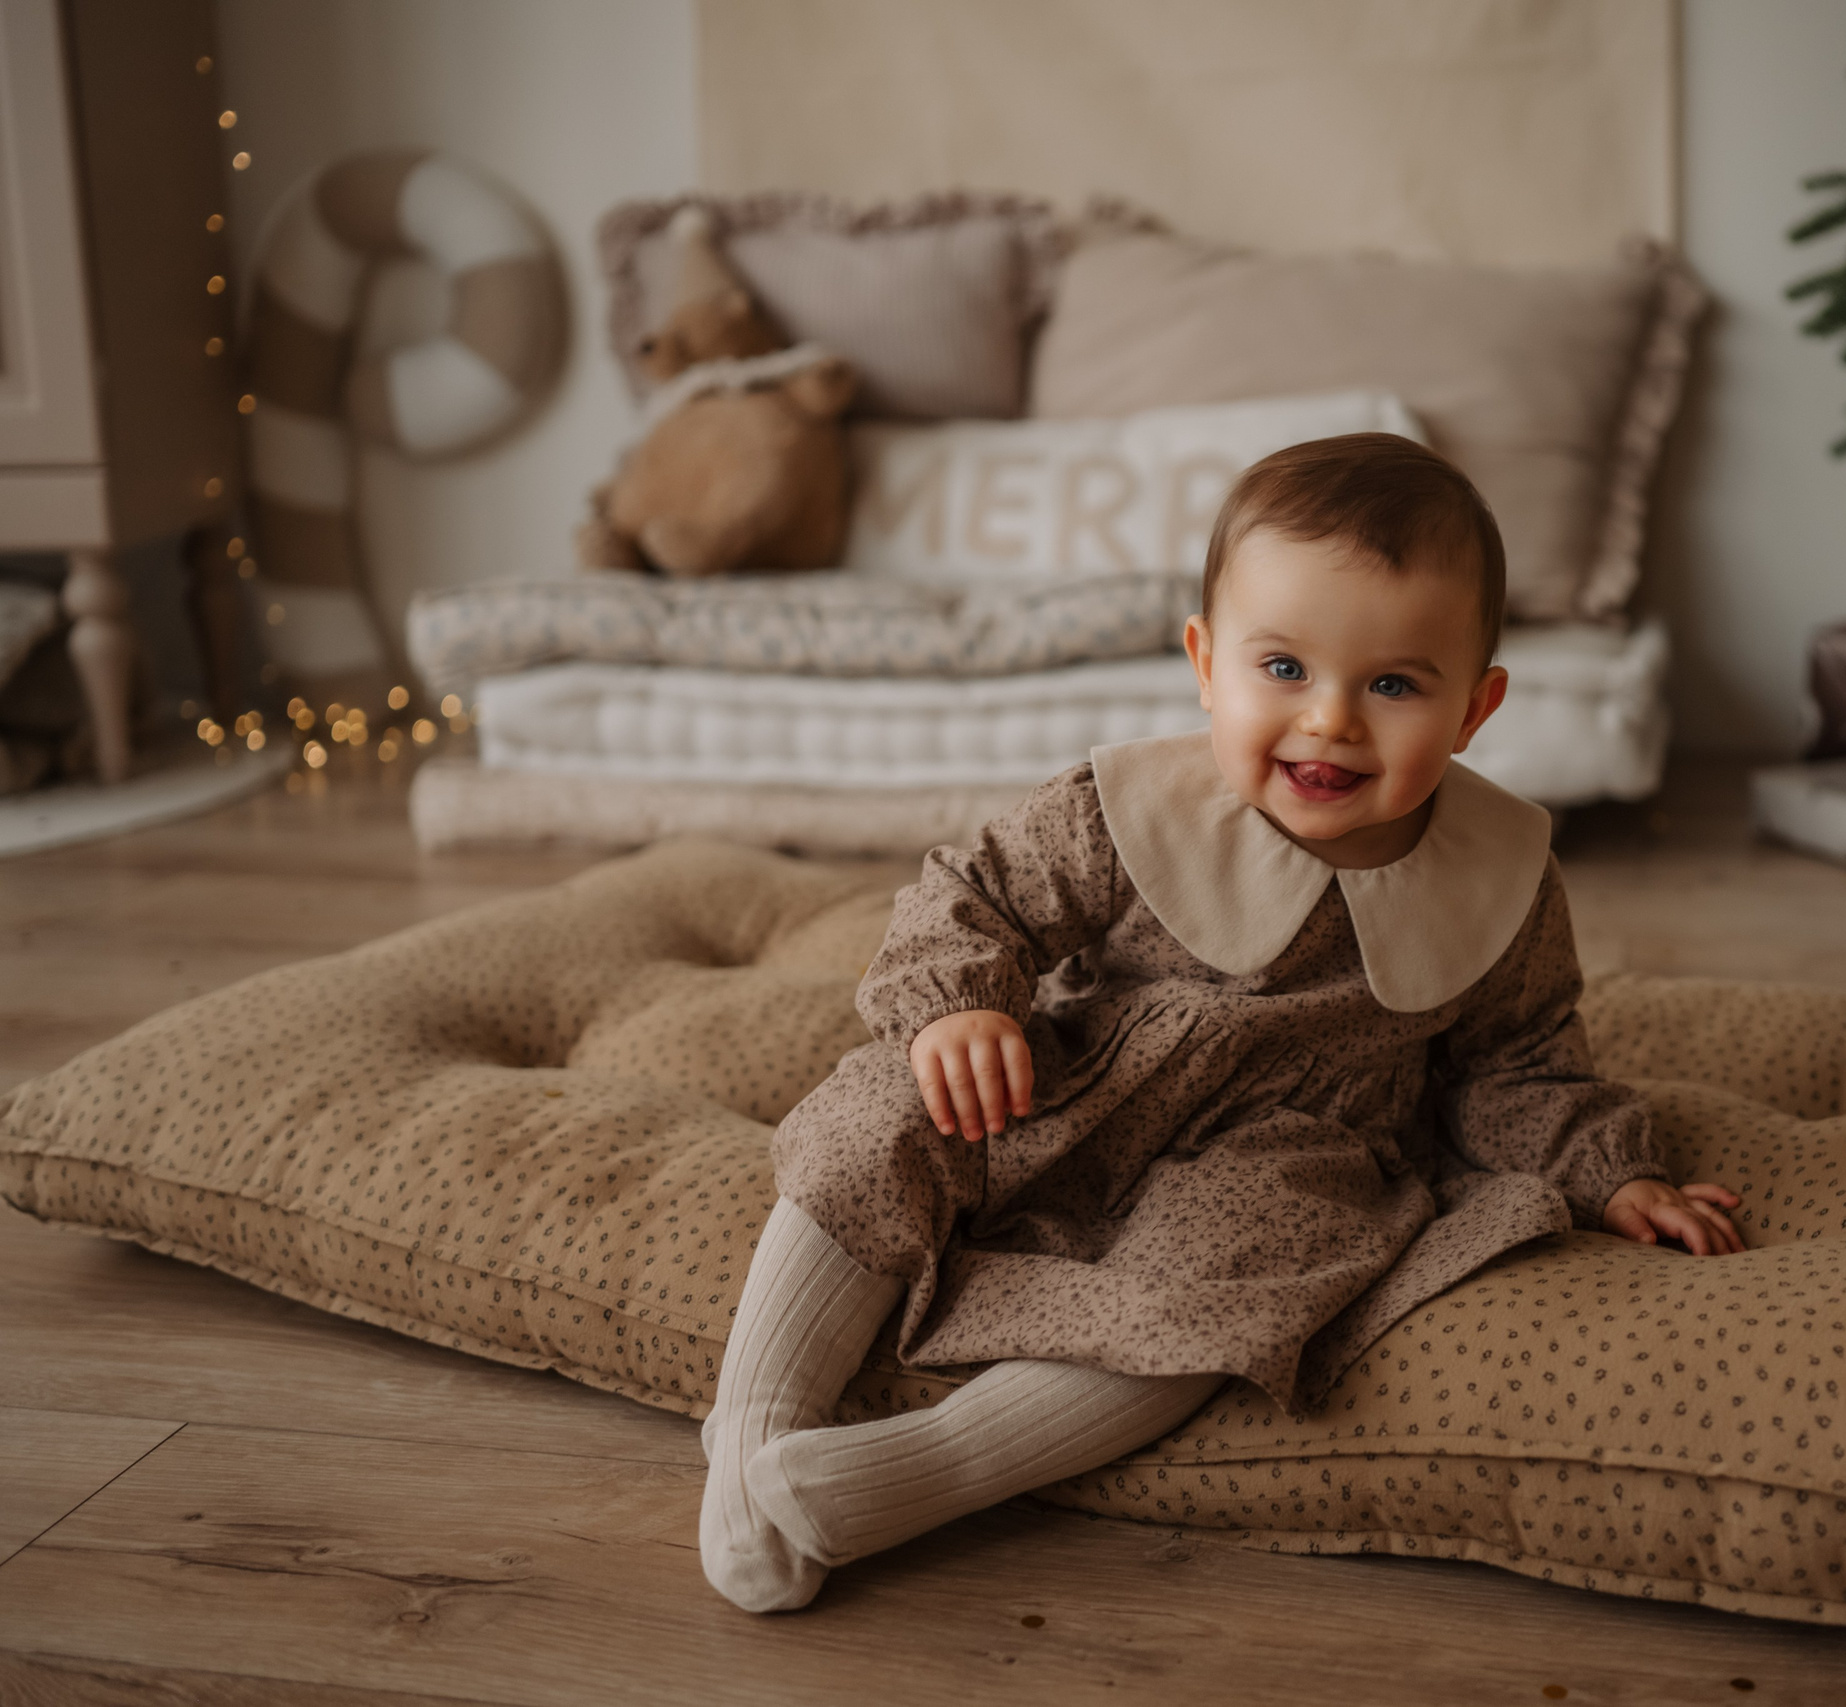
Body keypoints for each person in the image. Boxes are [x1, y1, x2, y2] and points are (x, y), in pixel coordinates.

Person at [699, 432, 1746, 1611]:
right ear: (1206, 666)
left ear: (1475, 706)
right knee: (885, 1110)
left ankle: (917, 1471)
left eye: (1394, 684)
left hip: (1288, 1148)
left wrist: (1603, 1169)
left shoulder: (1498, 875)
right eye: (1283, 668)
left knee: (1245, 1289)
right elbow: (973, 896)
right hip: (1078, 1076)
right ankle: (752, 1436)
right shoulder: (1130, 808)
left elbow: (1517, 1058)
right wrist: (959, 1010)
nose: (1331, 722)